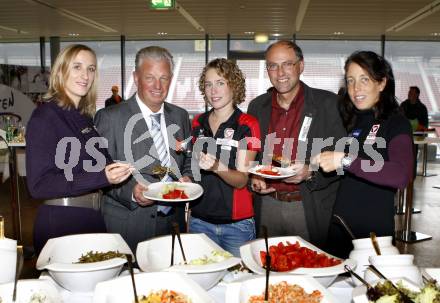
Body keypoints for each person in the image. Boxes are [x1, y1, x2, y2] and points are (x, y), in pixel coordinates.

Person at [26, 44, 133, 253]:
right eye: (77, 67)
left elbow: (101, 166)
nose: (85, 75)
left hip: (92, 218)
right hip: (62, 223)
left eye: (91, 69)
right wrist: (102, 177)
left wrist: (128, 178)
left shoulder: (83, 117)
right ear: (61, 71)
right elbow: (39, 185)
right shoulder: (46, 117)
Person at [247, 40, 346, 248]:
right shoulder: (257, 107)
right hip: (267, 205)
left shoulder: (329, 105)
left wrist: (310, 172)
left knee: (310, 271)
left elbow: (342, 156)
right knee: (269, 270)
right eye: (273, 66)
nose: (280, 72)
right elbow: (252, 154)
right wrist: (255, 176)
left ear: (301, 66)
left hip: (308, 205)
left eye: (287, 64)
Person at [316, 51, 413, 258]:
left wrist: (345, 159)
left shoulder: (396, 123)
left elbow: (401, 175)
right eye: (350, 80)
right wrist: (309, 168)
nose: (355, 88)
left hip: (371, 236)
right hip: (339, 228)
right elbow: (343, 171)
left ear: (382, 83)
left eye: (364, 79)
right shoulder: (352, 121)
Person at [95, 46, 193, 251]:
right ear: (136, 78)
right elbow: (100, 170)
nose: (158, 85)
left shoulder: (181, 116)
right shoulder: (110, 117)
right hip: (128, 223)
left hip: (172, 223)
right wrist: (132, 191)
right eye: (150, 77)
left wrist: (187, 178)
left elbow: (188, 159)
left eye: (164, 78)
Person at [189, 58, 260, 257]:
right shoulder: (197, 122)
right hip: (199, 220)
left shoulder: (247, 124)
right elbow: (195, 168)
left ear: (234, 86)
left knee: (238, 284)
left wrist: (217, 167)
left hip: (236, 226)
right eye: (209, 84)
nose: (214, 90)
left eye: (220, 83)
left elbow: (242, 180)